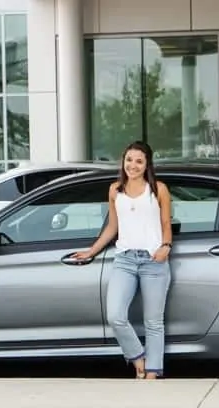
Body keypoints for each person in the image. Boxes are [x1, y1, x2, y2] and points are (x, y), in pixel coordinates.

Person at [73, 141, 173, 379]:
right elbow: (112, 227)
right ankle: (138, 357)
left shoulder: (158, 189)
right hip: (125, 260)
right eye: (129, 160)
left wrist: (166, 246)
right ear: (123, 160)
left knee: (153, 322)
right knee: (115, 316)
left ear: (147, 164)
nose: (133, 165)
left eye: (139, 161)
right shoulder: (115, 190)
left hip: (153, 261)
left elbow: (166, 224)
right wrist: (91, 251)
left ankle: (152, 373)